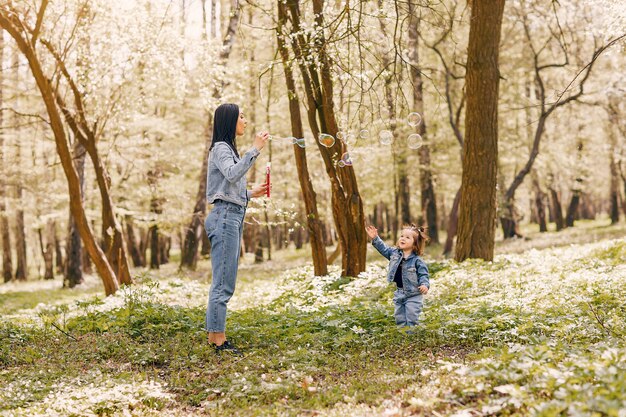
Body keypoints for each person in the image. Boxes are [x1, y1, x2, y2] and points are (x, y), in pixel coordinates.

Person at [204, 103, 269, 354]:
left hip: (230, 215)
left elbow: (227, 186)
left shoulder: (226, 149)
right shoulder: (221, 148)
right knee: (223, 283)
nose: (245, 121)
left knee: (224, 280)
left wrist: (251, 193)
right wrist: (255, 150)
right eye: (241, 117)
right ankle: (219, 342)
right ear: (230, 120)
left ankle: (214, 337)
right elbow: (231, 174)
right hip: (225, 218)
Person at [365, 224, 430, 327]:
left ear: (415, 244)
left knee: (412, 317)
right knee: (399, 317)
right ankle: (403, 336)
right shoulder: (394, 253)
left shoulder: (417, 260)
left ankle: (412, 336)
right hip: (399, 293)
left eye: (407, 237)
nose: (403, 238)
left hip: (414, 294)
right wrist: (375, 238)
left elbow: (423, 275)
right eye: (402, 236)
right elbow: (384, 249)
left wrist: (425, 285)